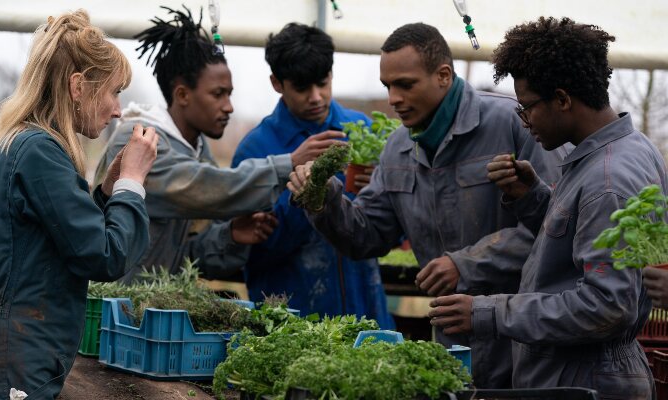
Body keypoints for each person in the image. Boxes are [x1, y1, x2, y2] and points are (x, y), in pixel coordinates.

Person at [285, 22, 566, 388]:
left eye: (405, 84)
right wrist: (324, 198)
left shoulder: (515, 123)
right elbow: (366, 235)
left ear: (443, 75)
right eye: (388, 86)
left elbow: (555, 229)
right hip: (453, 347)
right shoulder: (397, 149)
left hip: (525, 341)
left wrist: (463, 264)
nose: (393, 98)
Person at [428, 17, 665, 398]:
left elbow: (605, 305)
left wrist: (487, 312)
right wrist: (533, 197)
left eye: (527, 108)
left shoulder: (608, 181)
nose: (524, 123)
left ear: (563, 99)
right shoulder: (617, 151)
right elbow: (579, 245)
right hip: (577, 371)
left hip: (585, 379)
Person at [0, 10, 158, 398]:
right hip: (13, 358)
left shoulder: (28, 144)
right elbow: (104, 256)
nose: (118, 109)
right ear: (78, 87)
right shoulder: (40, 152)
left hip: (6, 352)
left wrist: (105, 192)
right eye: (114, 91)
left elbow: (57, 238)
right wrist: (132, 184)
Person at [94, 8, 344, 282]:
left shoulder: (197, 150)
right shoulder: (138, 140)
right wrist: (288, 164)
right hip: (113, 311)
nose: (228, 107)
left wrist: (232, 235)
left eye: (230, 94)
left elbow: (189, 258)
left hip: (155, 310)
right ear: (183, 94)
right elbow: (202, 187)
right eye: (217, 94)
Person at [231, 23, 394, 329]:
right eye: (302, 88)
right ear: (277, 83)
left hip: (367, 314)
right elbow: (254, 251)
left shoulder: (362, 129)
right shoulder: (256, 150)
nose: (316, 97)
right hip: (294, 320)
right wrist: (306, 195)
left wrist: (380, 190)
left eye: (323, 82)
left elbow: (389, 228)